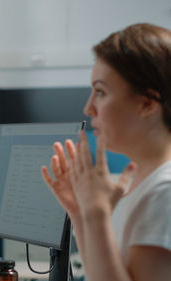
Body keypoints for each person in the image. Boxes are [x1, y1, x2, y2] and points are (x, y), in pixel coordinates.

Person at [41, 23, 171, 281]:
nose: (89, 108)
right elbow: (100, 274)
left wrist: (97, 215)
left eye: (100, 92)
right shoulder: (145, 184)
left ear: (146, 103)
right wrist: (79, 211)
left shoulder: (164, 194)